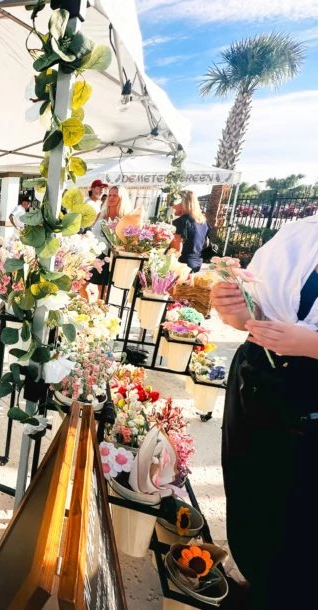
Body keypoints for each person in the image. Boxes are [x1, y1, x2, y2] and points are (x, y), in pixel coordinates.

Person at [212, 215, 318, 609]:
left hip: (308, 402)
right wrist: (236, 310)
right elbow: (255, 314)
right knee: (249, 492)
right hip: (254, 381)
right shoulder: (299, 232)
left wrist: (310, 345)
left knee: (297, 518)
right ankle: (256, 580)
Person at [89, 186, 134, 299]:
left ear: (121, 198)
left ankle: (100, 308)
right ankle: (90, 307)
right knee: (82, 282)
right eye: (110, 195)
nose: (111, 198)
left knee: (103, 290)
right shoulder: (101, 214)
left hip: (109, 256)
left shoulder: (124, 218)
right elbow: (92, 232)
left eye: (115, 195)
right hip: (93, 254)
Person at [170, 190, 209, 273]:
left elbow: (175, 249)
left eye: (173, 203)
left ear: (183, 204)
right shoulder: (203, 222)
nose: (172, 207)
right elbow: (205, 244)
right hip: (197, 263)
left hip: (182, 265)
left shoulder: (180, 222)